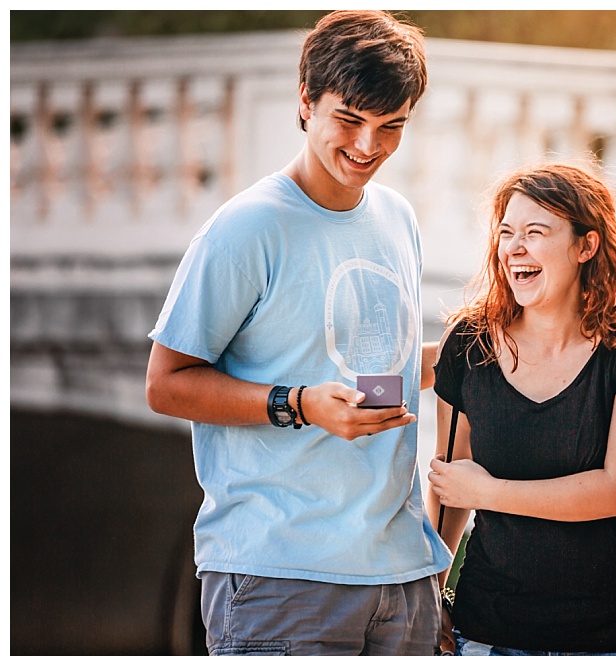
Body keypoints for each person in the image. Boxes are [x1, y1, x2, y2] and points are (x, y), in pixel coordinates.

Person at [145, 10, 452, 656]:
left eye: (391, 126)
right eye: (350, 120)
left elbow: (370, 366)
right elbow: (166, 384)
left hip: (401, 577)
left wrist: (461, 356)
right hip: (280, 578)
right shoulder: (245, 229)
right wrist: (299, 404)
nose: (369, 146)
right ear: (306, 102)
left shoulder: (397, 218)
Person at [426, 162, 616, 656]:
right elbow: (451, 489)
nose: (515, 247)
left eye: (535, 233)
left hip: (613, 636)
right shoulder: (469, 345)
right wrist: (430, 596)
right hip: (487, 633)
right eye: (506, 233)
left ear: (586, 246)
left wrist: (491, 492)